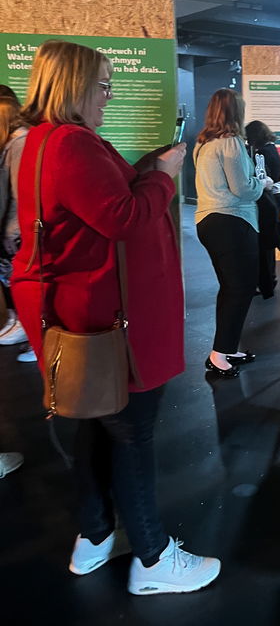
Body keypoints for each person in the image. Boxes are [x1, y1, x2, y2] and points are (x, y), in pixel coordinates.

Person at [12, 40, 220, 595]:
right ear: (75, 86)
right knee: (131, 433)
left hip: (84, 313)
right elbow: (122, 217)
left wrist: (145, 168)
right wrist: (164, 174)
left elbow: (97, 204)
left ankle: (96, 535)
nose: (109, 95)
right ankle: (152, 559)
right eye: (103, 85)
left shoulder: (42, 140)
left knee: (98, 425)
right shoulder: (71, 144)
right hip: (108, 318)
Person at [195, 89, 264, 378]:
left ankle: (226, 348)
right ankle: (219, 354)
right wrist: (261, 183)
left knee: (231, 288)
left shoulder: (203, 143)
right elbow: (243, 188)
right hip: (232, 221)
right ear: (236, 112)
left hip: (207, 221)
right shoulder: (231, 142)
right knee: (241, 289)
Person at [0, 93, 34, 360]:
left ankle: (29, 328)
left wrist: (12, 230)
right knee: (7, 275)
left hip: (16, 228)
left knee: (18, 277)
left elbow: (20, 192)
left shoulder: (20, 141)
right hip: (10, 224)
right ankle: (17, 320)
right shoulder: (12, 141)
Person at [245, 120, 280, 299]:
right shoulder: (272, 149)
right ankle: (269, 280)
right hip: (277, 196)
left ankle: (266, 282)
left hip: (269, 198)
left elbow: (264, 179)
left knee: (265, 243)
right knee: (269, 241)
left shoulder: (261, 153)